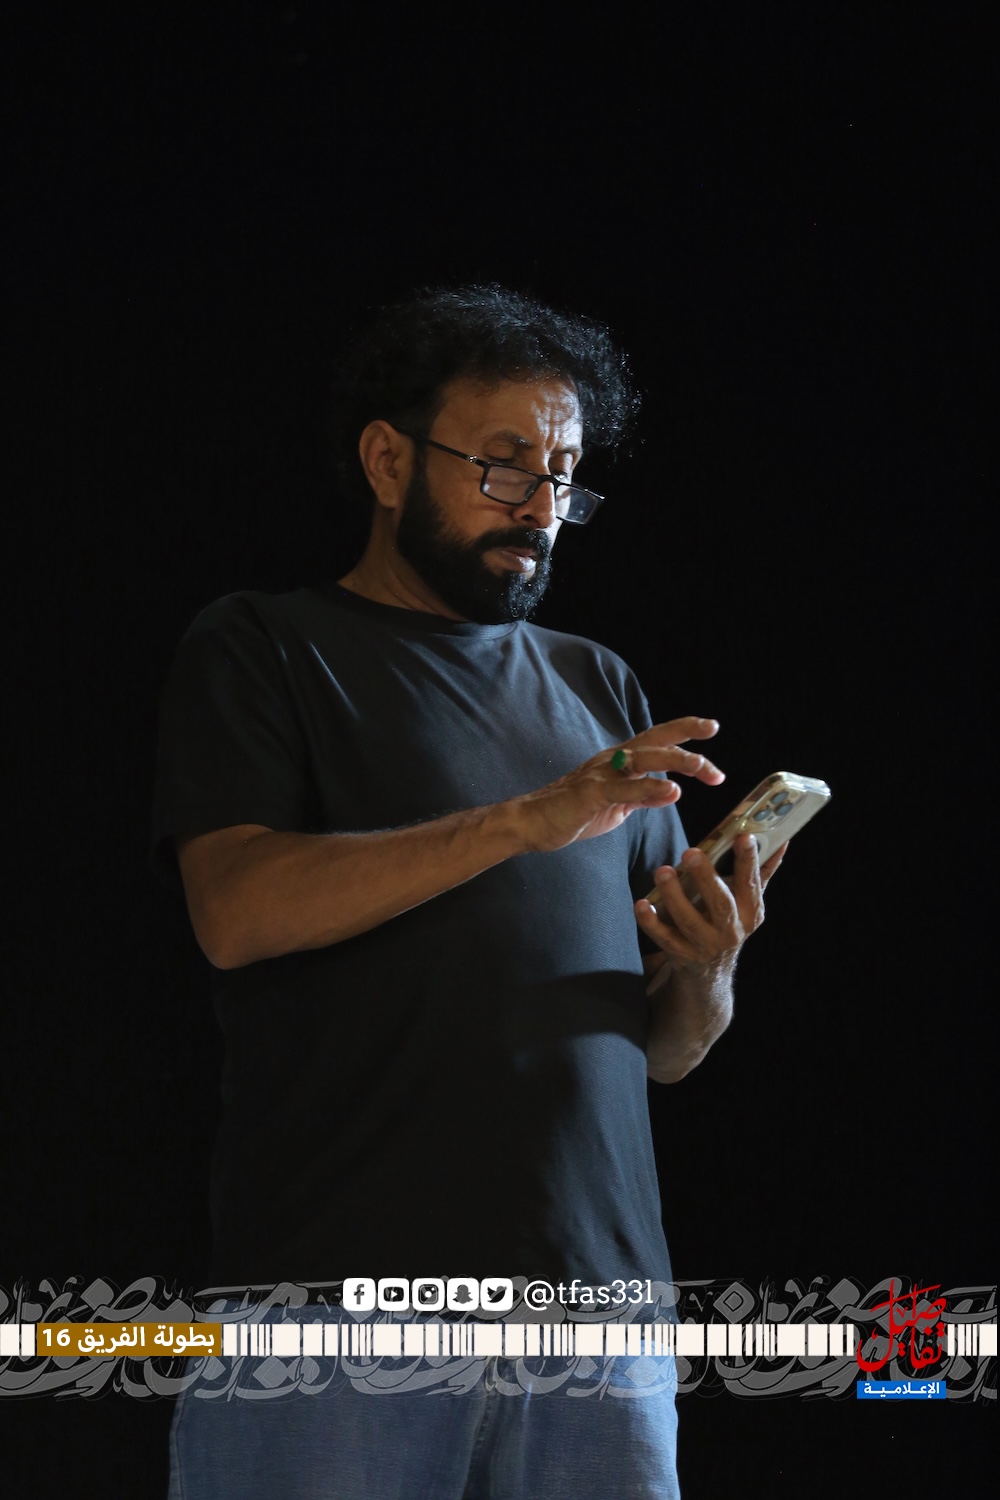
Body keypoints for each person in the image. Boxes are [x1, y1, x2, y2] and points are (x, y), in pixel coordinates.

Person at [153, 284, 785, 1499]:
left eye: (563, 477)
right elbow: (234, 913)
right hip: (342, 1315)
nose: (540, 510)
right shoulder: (265, 646)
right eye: (502, 468)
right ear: (388, 462)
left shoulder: (598, 685)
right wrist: (522, 821)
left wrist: (709, 970)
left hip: (597, 1324)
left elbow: (663, 1051)